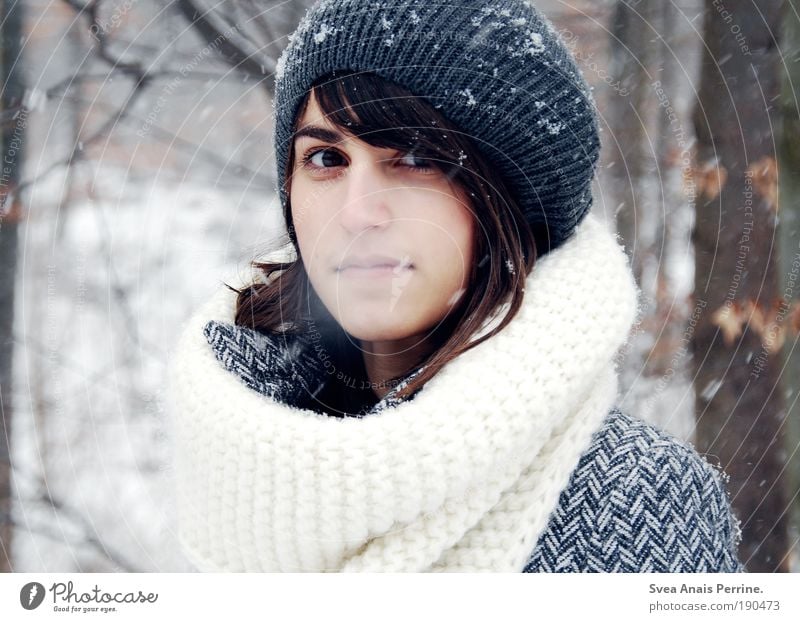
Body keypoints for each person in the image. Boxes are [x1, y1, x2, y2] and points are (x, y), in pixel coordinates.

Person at [168, 0, 745, 572]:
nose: (358, 212)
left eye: (416, 159)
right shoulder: (227, 466)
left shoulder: (639, 502)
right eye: (325, 157)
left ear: (509, 204)